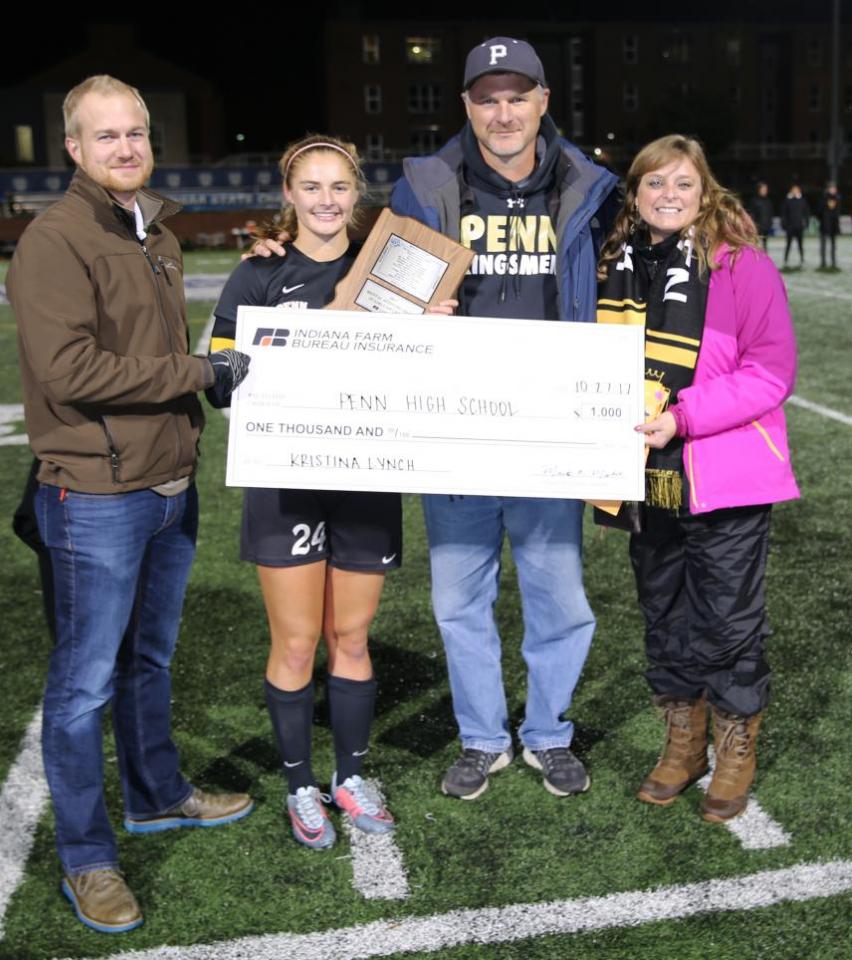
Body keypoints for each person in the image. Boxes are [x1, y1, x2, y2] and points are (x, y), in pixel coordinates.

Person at [7, 75, 252, 934]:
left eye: (136, 133)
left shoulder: (155, 231)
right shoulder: (56, 238)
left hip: (165, 487)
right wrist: (196, 375)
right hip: (96, 494)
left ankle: (156, 794)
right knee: (81, 689)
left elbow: (160, 350)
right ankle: (87, 858)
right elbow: (70, 372)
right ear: (72, 148)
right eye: (104, 136)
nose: (124, 148)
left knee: (147, 662)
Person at [209, 134, 456, 848]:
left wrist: (433, 335)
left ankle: (349, 776)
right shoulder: (257, 275)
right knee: (295, 642)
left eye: (339, 187)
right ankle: (298, 786)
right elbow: (223, 381)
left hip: (364, 477)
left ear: (357, 192)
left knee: (350, 636)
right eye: (311, 188)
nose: (326, 200)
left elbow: (426, 375)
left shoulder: (392, 270)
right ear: (289, 196)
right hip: (286, 482)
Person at [389, 38, 619, 801]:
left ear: (543, 102)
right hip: (455, 430)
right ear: (466, 108)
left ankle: (549, 733)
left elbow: (649, 255)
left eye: (517, 97)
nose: (503, 113)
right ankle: (484, 737)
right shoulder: (424, 187)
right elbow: (378, 287)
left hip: (551, 430)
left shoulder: (589, 186)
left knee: (559, 595)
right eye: (487, 99)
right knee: (459, 599)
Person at [596, 134, 799, 822]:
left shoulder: (740, 266)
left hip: (724, 474)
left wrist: (682, 419)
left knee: (729, 623)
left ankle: (735, 746)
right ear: (636, 194)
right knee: (665, 616)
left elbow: (770, 372)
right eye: (655, 185)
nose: (669, 196)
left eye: (682, 183)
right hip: (645, 479)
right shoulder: (615, 265)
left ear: (704, 188)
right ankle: (683, 741)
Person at [780, 183, 810, 268]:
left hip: (799, 227)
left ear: (799, 191)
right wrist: (784, 224)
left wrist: (806, 223)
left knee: (800, 245)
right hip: (790, 227)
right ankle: (785, 260)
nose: (795, 191)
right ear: (791, 190)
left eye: (796, 189)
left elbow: (806, 213)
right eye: (793, 189)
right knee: (788, 244)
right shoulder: (787, 200)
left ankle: (802, 259)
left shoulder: (803, 200)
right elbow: (784, 213)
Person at [817, 181, 842, 270]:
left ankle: (833, 263)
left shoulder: (838, 198)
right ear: (828, 189)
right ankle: (823, 263)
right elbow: (819, 211)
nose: (833, 190)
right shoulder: (823, 198)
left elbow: (838, 212)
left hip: (833, 225)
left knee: (833, 245)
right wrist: (824, 219)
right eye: (831, 188)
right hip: (824, 225)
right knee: (823, 245)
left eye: (834, 188)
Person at [748, 181, 773, 251]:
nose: (765, 191)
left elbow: (770, 213)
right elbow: (751, 214)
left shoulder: (768, 201)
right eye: (763, 189)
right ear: (758, 190)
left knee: (765, 244)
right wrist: (753, 225)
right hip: (757, 226)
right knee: (755, 244)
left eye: (766, 190)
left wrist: (770, 223)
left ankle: (764, 257)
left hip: (766, 226)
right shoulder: (754, 200)